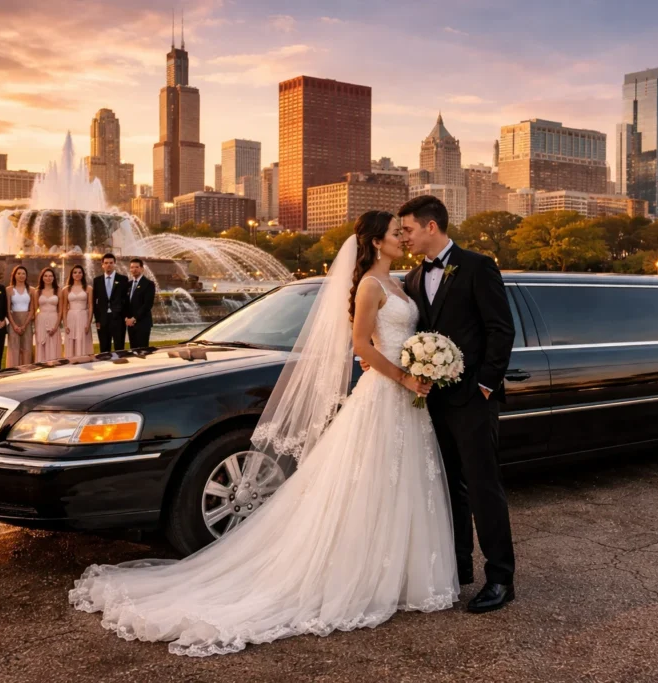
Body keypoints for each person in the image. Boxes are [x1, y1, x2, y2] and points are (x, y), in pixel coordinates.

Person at [70, 211, 458, 656]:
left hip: (407, 402)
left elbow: (400, 337)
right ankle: (360, 574)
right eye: (395, 233)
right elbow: (360, 345)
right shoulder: (371, 286)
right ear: (374, 242)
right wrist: (405, 376)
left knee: (403, 484)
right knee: (367, 484)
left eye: (403, 232)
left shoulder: (401, 285)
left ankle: (404, 576)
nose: (402, 238)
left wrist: (423, 365)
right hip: (384, 395)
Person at [398, 194, 516, 613]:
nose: (404, 237)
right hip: (431, 403)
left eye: (408, 229)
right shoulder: (411, 279)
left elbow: (501, 330)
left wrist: (485, 385)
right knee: (448, 489)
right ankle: (459, 567)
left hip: (473, 400)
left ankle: (501, 578)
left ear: (432, 227)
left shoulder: (479, 266)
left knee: (484, 488)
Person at [92, 253, 128, 352]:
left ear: (115, 264)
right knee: (104, 348)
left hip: (118, 319)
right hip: (103, 319)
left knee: (119, 348)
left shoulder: (123, 279)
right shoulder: (97, 281)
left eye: (111, 263)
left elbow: (126, 300)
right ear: (102, 264)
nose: (109, 265)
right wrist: (97, 319)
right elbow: (94, 301)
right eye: (106, 263)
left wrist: (124, 316)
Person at [6, 265, 35, 366]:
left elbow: (32, 310)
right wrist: (14, 325)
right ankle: (13, 370)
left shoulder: (31, 290)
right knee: (14, 347)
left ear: (26, 276)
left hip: (26, 321)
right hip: (14, 320)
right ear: (14, 275)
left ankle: (26, 370)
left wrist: (25, 325)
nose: (21, 276)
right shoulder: (9, 290)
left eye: (23, 274)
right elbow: (8, 310)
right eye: (19, 273)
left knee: (27, 347)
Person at [62, 265, 93, 356]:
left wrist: (88, 322)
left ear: (83, 274)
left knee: (82, 338)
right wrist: (65, 324)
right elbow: (64, 308)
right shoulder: (66, 289)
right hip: (71, 316)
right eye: (75, 272)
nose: (77, 274)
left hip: (83, 315)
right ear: (71, 274)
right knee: (71, 339)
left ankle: (83, 360)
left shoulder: (88, 288)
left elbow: (90, 306)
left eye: (80, 272)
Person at [125, 258, 155, 349]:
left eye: (137, 267)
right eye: (132, 267)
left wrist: (134, 318)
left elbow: (147, 305)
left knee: (142, 351)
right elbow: (125, 303)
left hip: (143, 323)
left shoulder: (149, 284)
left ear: (142, 269)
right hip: (130, 324)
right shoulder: (128, 284)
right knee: (133, 351)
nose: (134, 269)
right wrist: (127, 318)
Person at [35, 267, 62, 361]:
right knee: (42, 343)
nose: (48, 278)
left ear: (54, 278)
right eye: (46, 276)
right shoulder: (37, 291)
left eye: (50, 276)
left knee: (53, 343)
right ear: (42, 278)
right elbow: (35, 310)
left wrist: (56, 326)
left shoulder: (58, 290)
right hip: (41, 320)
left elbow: (60, 311)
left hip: (54, 318)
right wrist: (36, 327)